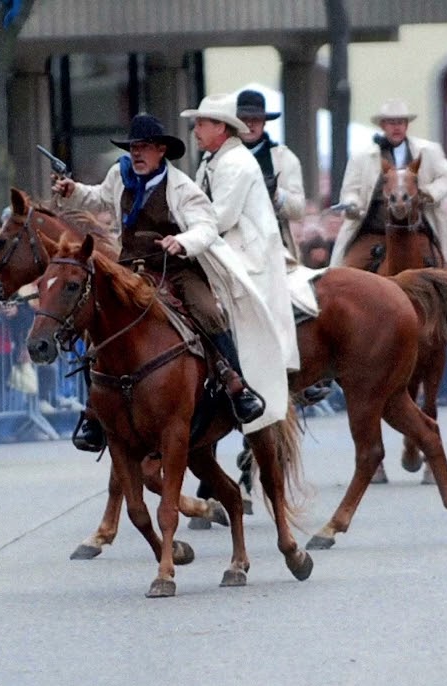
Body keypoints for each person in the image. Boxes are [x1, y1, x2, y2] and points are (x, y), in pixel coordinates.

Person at [53, 111, 278, 450]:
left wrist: (182, 242)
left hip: (175, 268)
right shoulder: (120, 173)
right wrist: (73, 191)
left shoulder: (181, 187)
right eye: (133, 148)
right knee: (95, 323)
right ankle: (94, 412)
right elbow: (99, 197)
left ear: (161, 151)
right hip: (130, 267)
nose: (137, 154)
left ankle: (236, 385)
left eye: (144, 148)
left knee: (207, 311)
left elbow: (206, 226)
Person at [180, 94, 298, 368]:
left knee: (218, 310)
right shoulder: (213, 160)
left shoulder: (235, 162)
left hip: (246, 255)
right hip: (223, 247)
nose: (195, 130)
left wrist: (182, 238)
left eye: (200, 124)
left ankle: (236, 375)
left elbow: (219, 219)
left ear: (220, 127)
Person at [328, 98, 447, 269]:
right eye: (391, 123)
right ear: (382, 126)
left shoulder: (428, 150)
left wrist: (429, 192)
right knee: (344, 274)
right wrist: (353, 203)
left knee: (444, 275)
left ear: (407, 125)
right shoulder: (362, 156)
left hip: (416, 231)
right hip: (374, 232)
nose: (396, 127)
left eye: (401, 122)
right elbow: (350, 190)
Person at [234, 89, 306, 257]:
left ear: (264, 122)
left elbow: (299, 210)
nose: (250, 125)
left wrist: (277, 195)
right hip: (230, 239)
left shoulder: (285, 159)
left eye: (256, 120)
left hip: (271, 239)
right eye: (244, 119)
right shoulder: (217, 157)